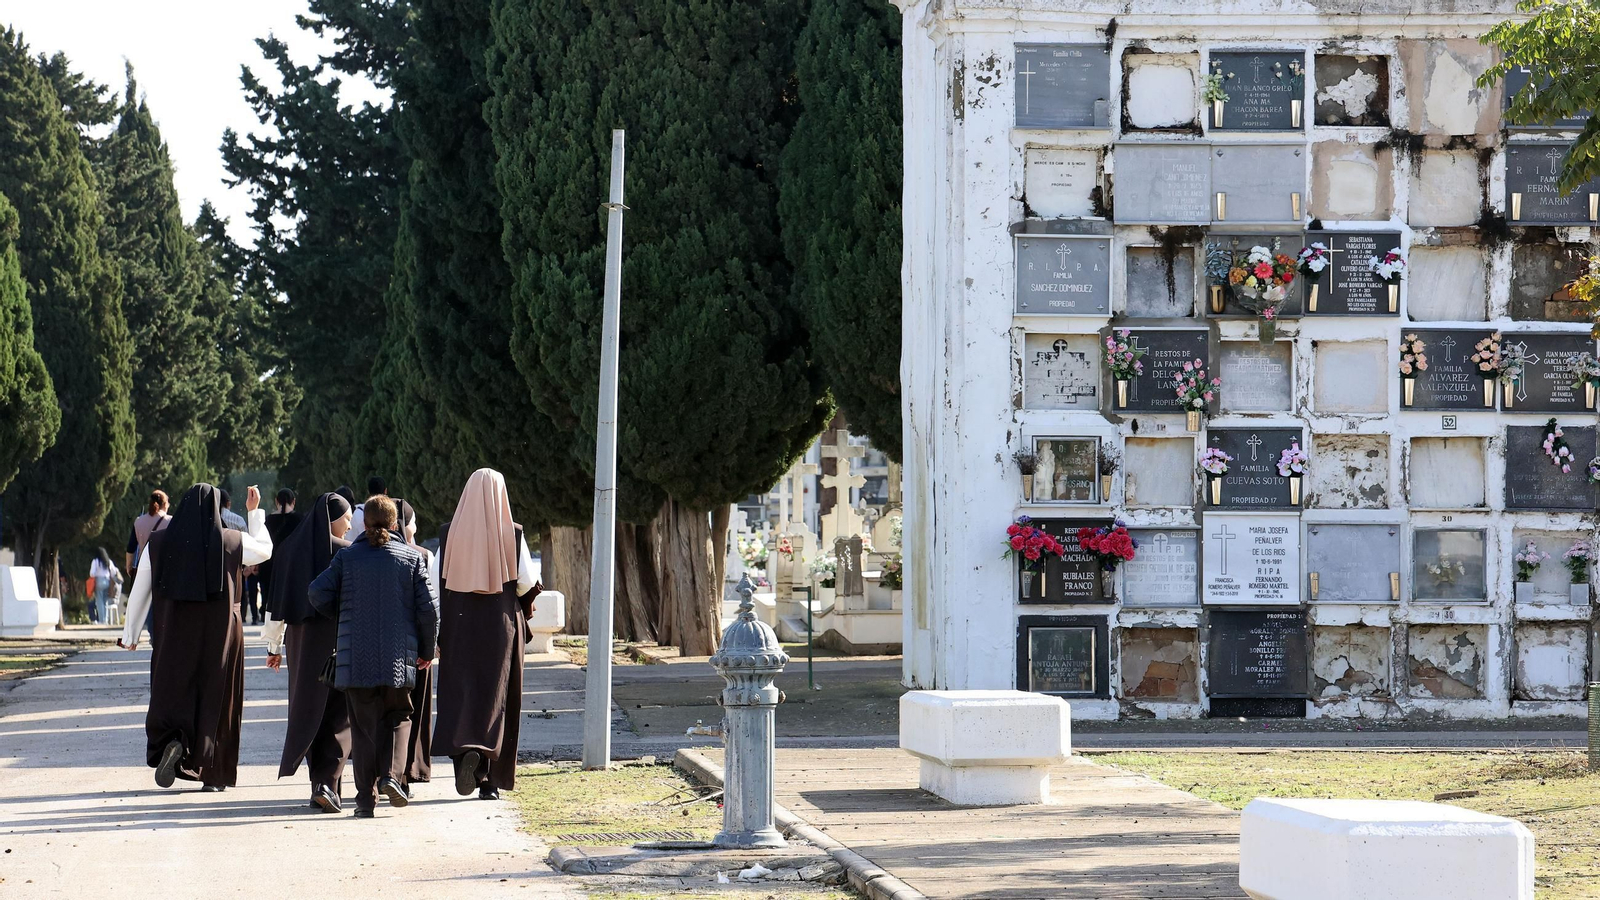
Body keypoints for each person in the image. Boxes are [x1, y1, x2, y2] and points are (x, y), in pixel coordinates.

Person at [121, 483, 272, 791]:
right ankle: (213, 774)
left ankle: (174, 742)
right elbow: (265, 550)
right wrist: (254, 513)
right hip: (222, 634)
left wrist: (131, 633)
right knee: (218, 697)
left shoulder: (158, 542)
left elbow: (141, 589)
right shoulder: (231, 540)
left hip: (174, 632)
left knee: (176, 689)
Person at [308, 495, 438, 819]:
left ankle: (365, 801)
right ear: (395, 524)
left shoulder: (347, 558)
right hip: (398, 657)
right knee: (398, 716)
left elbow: (316, 592)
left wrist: (341, 615)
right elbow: (429, 612)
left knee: (362, 728)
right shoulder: (411, 558)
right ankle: (392, 777)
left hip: (357, 658)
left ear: (363, 524)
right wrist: (425, 651)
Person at [431, 468, 538, 800]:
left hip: (458, 626)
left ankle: (464, 756)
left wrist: (435, 634)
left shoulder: (448, 536)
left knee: (460, 692)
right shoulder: (514, 535)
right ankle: (490, 782)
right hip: (500, 627)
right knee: (498, 697)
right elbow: (526, 582)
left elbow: (434, 586)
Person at [262, 493, 354, 813]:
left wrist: (273, 646)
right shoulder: (346, 553)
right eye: (346, 517)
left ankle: (321, 784)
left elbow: (275, 603)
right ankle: (329, 782)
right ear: (332, 519)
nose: (351, 522)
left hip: (300, 641)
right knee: (339, 711)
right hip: (339, 638)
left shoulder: (288, 550)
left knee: (308, 707)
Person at [394, 499, 434, 788]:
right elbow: (432, 605)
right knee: (413, 710)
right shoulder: (422, 555)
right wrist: (432, 646)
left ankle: (389, 772)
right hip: (418, 645)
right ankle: (411, 768)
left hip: (388, 644)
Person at [125, 490, 171, 646]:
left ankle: (153, 633)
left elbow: (131, 547)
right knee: (163, 601)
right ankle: (163, 631)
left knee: (149, 604)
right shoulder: (171, 522)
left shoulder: (139, 522)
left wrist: (129, 566)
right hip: (165, 568)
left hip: (144, 568)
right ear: (165, 504)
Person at [260, 489, 303, 612]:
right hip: (292, 566)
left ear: (276, 501)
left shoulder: (268, 520)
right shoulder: (300, 519)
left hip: (270, 566)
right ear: (293, 501)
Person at [88, 549, 120, 625]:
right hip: (107, 581)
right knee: (105, 601)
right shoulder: (108, 561)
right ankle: (105, 619)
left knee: (99, 601)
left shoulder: (95, 561)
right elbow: (114, 572)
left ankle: (102, 620)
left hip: (99, 581)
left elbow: (92, 573)